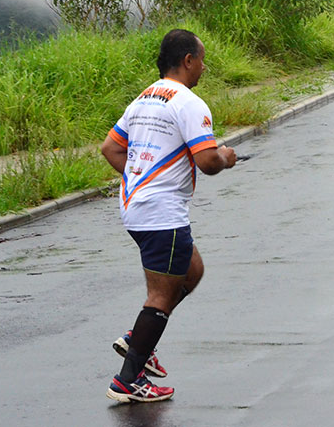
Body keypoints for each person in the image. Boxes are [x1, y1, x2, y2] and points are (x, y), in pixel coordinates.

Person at [101, 29, 237, 402]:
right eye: (202, 60)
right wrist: (226, 155)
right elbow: (208, 162)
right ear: (188, 60)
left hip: (137, 211)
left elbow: (111, 148)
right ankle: (128, 381)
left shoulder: (145, 97)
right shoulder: (190, 103)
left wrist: (140, 181)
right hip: (162, 215)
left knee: (191, 271)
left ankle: (136, 339)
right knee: (160, 296)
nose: (204, 68)